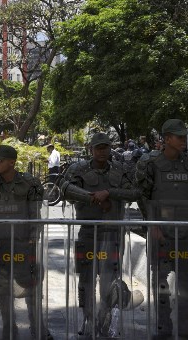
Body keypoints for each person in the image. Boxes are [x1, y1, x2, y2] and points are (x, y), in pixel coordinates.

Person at [135, 119, 188, 339]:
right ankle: (163, 326)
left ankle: (185, 324)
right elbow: (143, 196)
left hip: (187, 232)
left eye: (184, 136)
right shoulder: (150, 163)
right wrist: (151, 225)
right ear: (167, 138)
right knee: (161, 281)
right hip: (161, 232)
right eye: (179, 137)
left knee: (186, 280)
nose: (183, 140)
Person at [59, 132, 143, 338]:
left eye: (105, 147)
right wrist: (92, 198)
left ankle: (105, 320)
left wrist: (109, 193)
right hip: (88, 231)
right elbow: (64, 188)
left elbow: (135, 192)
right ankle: (87, 318)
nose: (102, 151)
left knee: (110, 280)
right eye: (98, 148)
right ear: (91, 149)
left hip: (113, 232)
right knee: (86, 279)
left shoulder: (120, 169)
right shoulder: (79, 168)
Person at [0, 145, 51, 339]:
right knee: (3, 288)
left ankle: (36, 326)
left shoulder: (30, 183)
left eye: (0, 160)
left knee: (31, 284)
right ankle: (9, 327)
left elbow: (35, 213)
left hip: (23, 243)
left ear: (12, 162)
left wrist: (34, 236)